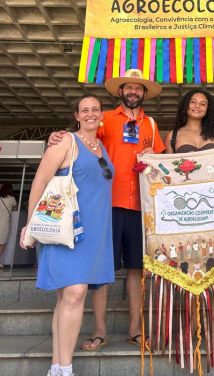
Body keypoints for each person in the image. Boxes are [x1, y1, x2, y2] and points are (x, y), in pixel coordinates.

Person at [48, 69, 164, 350]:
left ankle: (135, 329)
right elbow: (80, 139)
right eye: (128, 87)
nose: (133, 92)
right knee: (101, 269)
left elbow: (161, 162)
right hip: (104, 205)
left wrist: (155, 159)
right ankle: (100, 330)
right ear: (120, 92)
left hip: (141, 205)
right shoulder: (104, 119)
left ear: (144, 93)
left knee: (137, 269)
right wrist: (57, 137)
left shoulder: (151, 124)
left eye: (138, 88)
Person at [20, 94, 114, 376]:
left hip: (93, 233)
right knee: (75, 293)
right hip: (65, 231)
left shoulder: (100, 146)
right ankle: (64, 374)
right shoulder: (65, 142)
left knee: (67, 300)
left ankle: (56, 373)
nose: (90, 114)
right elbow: (39, 181)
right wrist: (30, 225)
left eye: (95, 109)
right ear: (76, 115)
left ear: (102, 115)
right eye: (84, 110)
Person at [164, 89, 214, 154]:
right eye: (193, 102)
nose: (197, 106)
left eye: (203, 104)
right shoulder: (172, 136)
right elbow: (166, 160)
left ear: (208, 110)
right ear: (185, 105)